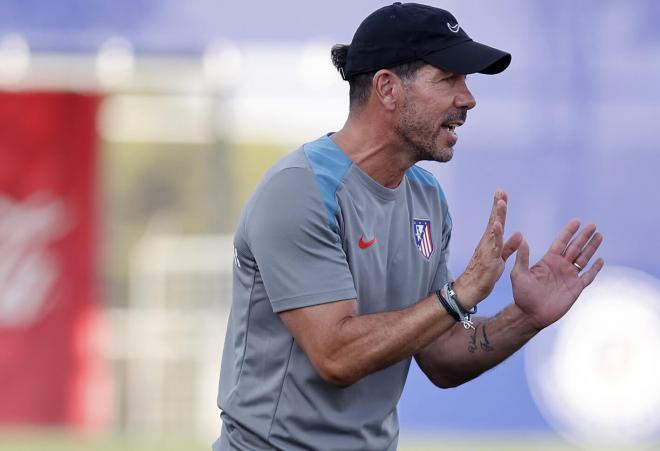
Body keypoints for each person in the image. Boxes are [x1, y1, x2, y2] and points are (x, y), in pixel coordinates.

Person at [213, 3, 604, 450]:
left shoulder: (427, 198)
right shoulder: (299, 190)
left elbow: (441, 355)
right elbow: (336, 357)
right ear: (387, 88)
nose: (468, 98)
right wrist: (458, 295)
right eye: (450, 78)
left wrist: (526, 317)